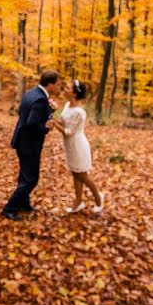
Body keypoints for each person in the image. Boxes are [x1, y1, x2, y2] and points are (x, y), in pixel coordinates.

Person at [1, 70, 61, 221]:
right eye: (58, 84)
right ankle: (10, 208)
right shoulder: (40, 99)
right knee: (31, 179)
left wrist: (49, 112)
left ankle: (23, 204)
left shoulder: (31, 93)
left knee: (24, 175)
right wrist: (46, 127)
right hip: (29, 144)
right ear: (50, 84)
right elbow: (32, 123)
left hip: (21, 140)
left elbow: (25, 112)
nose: (59, 87)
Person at [50, 79, 104, 213]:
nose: (64, 89)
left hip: (78, 145)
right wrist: (51, 114)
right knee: (75, 174)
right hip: (70, 146)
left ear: (74, 93)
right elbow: (64, 123)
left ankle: (98, 197)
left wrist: (53, 123)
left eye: (68, 88)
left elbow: (69, 131)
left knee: (82, 176)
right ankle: (78, 202)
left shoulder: (80, 112)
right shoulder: (67, 105)